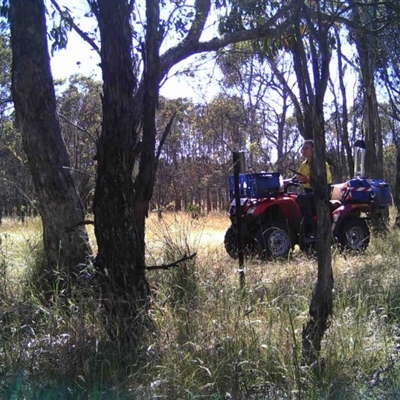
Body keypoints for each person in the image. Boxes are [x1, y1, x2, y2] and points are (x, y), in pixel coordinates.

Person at [295, 139, 332, 238]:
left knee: (302, 198)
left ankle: (311, 228)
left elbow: (323, 184)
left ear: (313, 150)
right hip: (309, 193)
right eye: (303, 148)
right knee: (294, 198)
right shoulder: (304, 164)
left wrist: (308, 180)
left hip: (321, 193)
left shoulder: (322, 165)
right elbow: (296, 177)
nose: (303, 150)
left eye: (306, 148)